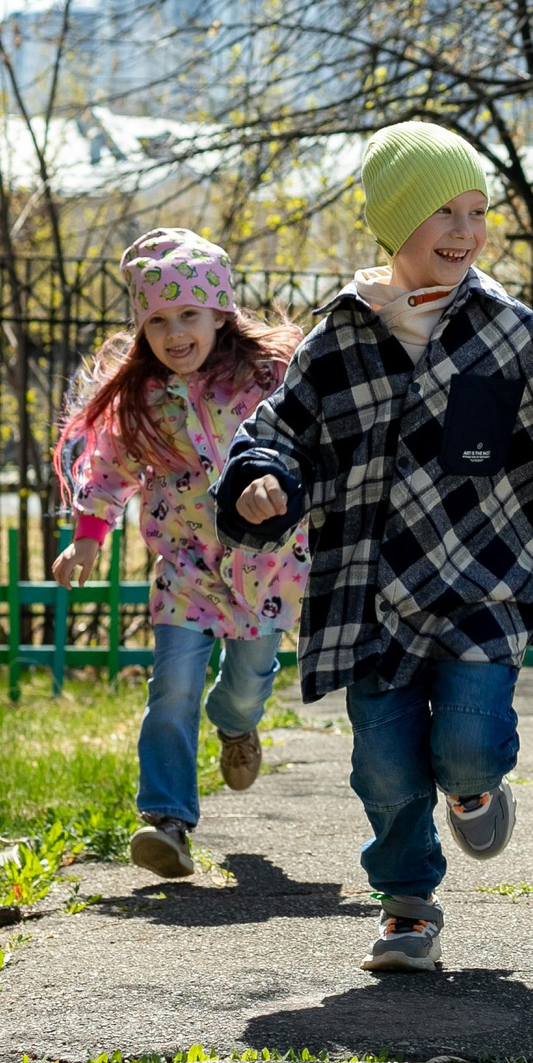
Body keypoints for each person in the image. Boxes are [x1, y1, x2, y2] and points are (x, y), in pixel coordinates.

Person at [215, 121, 533, 972]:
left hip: (483, 583)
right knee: (383, 766)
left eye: (476, 211)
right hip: (371, 598)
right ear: (393, 222)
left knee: (467, 745)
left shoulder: (509, 331)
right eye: (442, 210)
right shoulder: (338, 339)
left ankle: (477, 781)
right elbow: (279, 434)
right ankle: (407, 903)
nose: (464, 230)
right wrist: (262, 479)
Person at [53, 229, 309, 882]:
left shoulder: (264, 378)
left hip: (267, 564)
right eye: (158, 320)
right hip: (187, 569)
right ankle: (166, 819)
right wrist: (87, 536)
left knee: (248, 681)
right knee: (172, 686)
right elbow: (108, 469)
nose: (175, 333)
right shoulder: (142, 399)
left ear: (220, 311)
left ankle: (235, 723)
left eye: (188, 314)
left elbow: (313, 435)